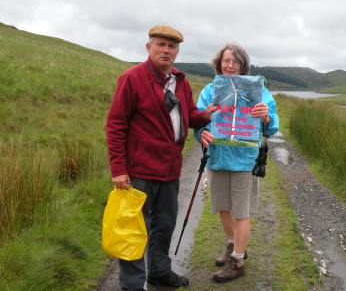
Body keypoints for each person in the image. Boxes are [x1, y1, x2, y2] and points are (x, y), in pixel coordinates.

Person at [106, 25, 217, 291]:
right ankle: (132, 285)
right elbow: (116, 124)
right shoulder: (131, 78)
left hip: (169, 170)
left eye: (172, 46)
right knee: (134, 230)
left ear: (177, 51)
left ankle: (158, 272)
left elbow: (188, 114)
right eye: (161, 44)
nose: (166, 50)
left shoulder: (180, 80)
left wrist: (206, 115)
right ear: (149, 47)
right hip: (138, 172)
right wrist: (119, 168)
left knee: (164, 225)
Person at [195, 43, 279, 282]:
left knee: (241, 212)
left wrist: (265, 116)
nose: (230, 65)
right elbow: (199, 119)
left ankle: (238, 260)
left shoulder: (258, 90)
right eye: (226, 61)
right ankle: (234, 247)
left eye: (235, 61)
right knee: (222, 207)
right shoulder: (210, 90)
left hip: (244, 160)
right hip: (217, 158)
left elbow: (272, 127)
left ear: (243, 65)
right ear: (219, 63)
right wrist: (201, 132)